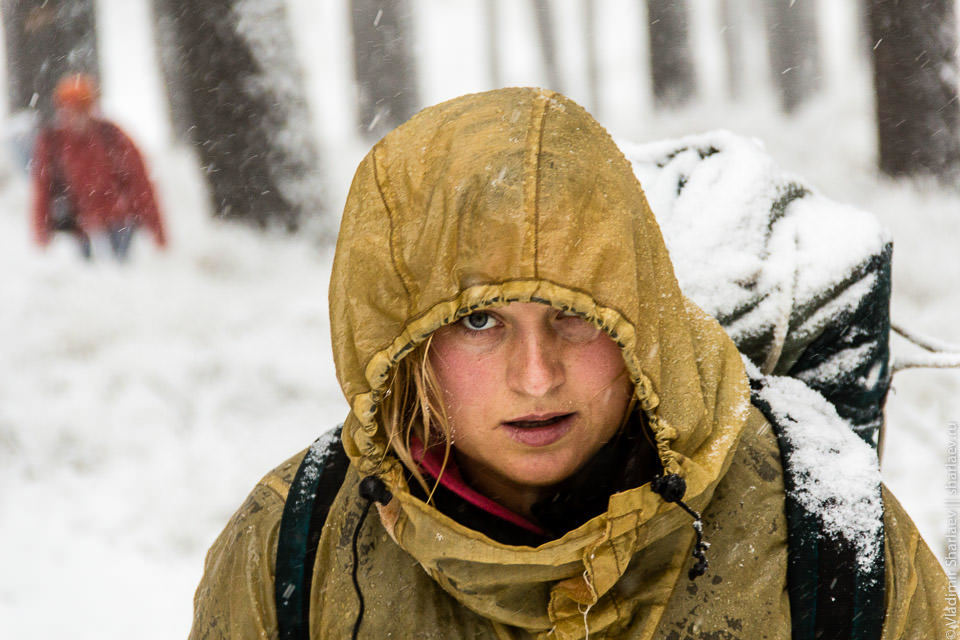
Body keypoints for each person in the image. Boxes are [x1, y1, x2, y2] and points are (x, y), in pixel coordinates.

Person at [190, 88, 951, 639]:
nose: (536, 377)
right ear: (405, 343)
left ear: (640, 321)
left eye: (577, 318)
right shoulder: (296, 548)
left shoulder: (823, 535)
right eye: (479, 321)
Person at [31, 73, 166, 261]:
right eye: (69, 109)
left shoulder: (112, 137)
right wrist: (41, 233)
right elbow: (43, 189)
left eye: (81, 108)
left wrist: (158, 232)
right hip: (77, 228)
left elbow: (140, 185)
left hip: (118, 223)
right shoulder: (52, 143)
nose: (75, 116)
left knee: (120, 274)